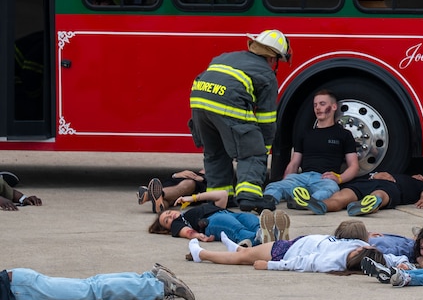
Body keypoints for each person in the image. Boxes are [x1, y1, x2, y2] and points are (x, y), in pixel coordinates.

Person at [189, 29, 291, 211]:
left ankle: (220, 198)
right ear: (273, 58)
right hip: (226, 103)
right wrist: (264, 147)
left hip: (199, 102)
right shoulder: (266, 74)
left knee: (215, 152)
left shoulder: (226, 57)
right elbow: (266, 119)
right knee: (252, 150)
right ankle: (249, 197)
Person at [265, 90, 360, 215]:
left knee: (331, 189)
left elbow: (354, 166)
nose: (318, 108)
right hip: (302, 177)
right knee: (273, 187)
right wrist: (286, 181)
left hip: (324, 179)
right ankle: (267, 203)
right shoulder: (305, 134)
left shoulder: (344, 135)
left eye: (322, 104)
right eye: (315, 105)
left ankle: (307, 202)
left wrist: (339, 179)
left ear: (334, 106)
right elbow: (294, 163)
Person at [0, 263, 194, 300]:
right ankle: (150, 278)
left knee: (92, 290)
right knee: (92, 284)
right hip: (18, 281)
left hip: (20, 288)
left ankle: (159, 287)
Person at [186, 233, 389, 274]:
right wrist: (405, 263)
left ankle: (201, 254)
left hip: (287, 252)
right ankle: (239, 248)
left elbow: (304, 262)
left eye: (363, 248)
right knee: (246, 254)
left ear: (359, 255)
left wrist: (271, 265)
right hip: (299, 243)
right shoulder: (365, 252)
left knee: (241, 260)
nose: (362, 245)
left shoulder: (332, 262)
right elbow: (389, 259)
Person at [148, 188, 280, 248]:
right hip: (211, 222)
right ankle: (255, 239)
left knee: (251, 220)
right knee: (236, 228)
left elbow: (222, 195)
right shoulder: (178, 223)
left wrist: (193, 198)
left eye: (169, 212)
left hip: (228, 213)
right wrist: (199, 236)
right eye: (167, 220)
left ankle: (268, 234)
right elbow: (187, 232)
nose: (171, 216)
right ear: (167, 229)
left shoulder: (188, 212)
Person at [321, 171, 423, 216]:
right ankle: (320, 205)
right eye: (419, 174)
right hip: (368, 182)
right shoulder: (401, 174)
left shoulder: (420, 184)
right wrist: (375, 175)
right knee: (341, 197)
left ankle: (366, 205)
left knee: (379, 195)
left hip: (392, 188)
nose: (420, 176)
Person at [136, 170, 206, 214]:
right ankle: (159, 207)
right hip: (175, 182)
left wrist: (203, 179)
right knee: (166, 200)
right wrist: (176, 174)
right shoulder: (209, 164)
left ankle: (149, 195)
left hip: (195, 187)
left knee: (189, 184)